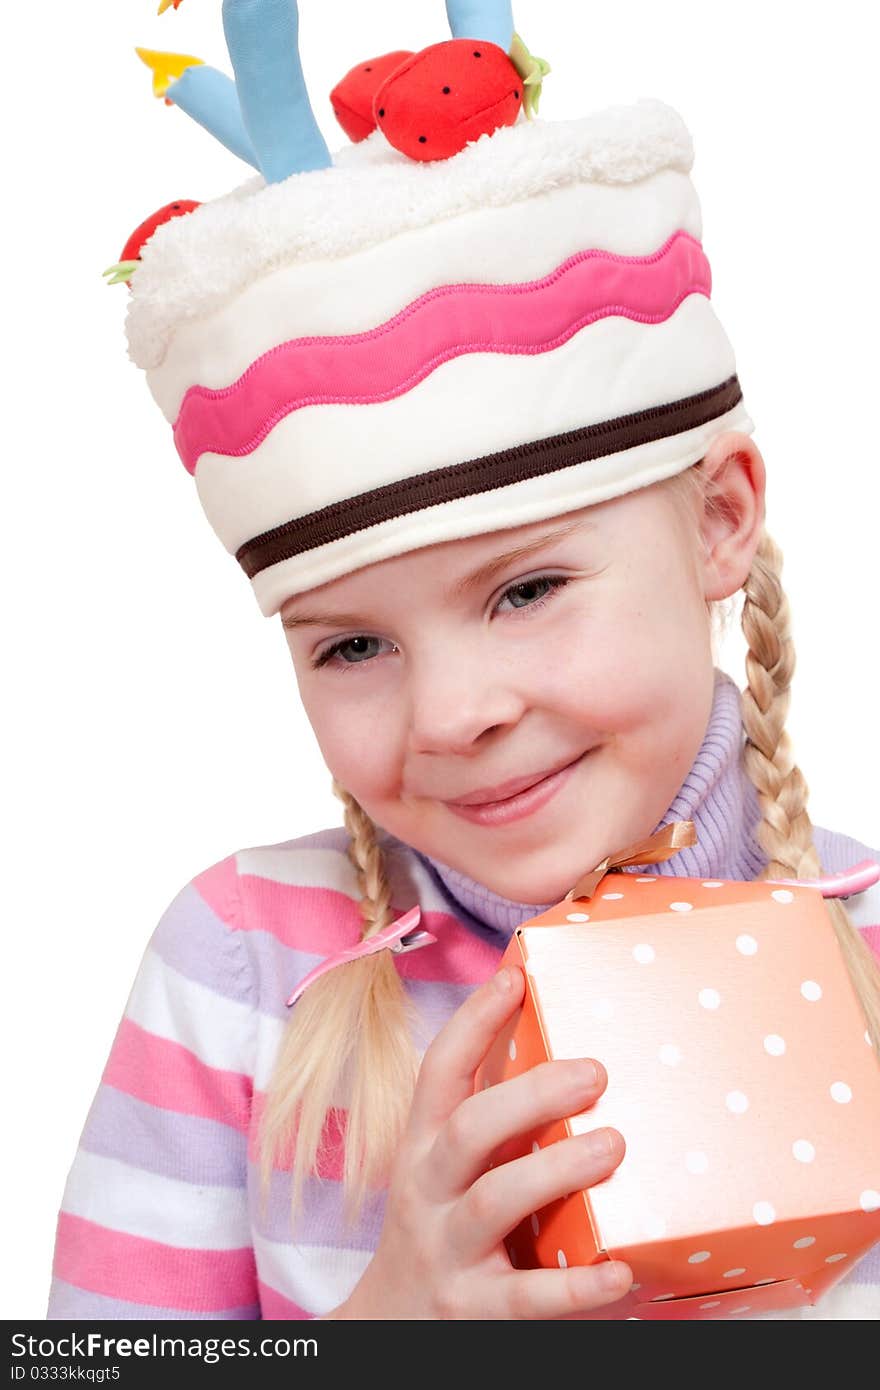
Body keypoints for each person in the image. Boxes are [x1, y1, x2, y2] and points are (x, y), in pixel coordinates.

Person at [47, 0, 880, 1320]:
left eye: (528, 588)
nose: (451, 714)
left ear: (719, 519)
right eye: (355, 642)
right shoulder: (243, 970)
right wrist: (387, 1325)